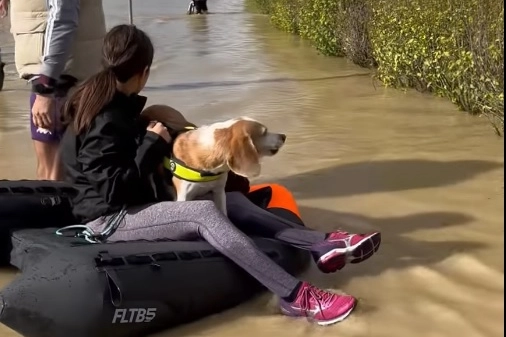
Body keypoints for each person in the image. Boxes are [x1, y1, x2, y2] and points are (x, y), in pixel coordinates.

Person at [60, 24, 382, 326]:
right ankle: (296, 297)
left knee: (233, 201)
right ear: (144, 72)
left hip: (130, 201)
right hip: (107, 219)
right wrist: (150, 143)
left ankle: (321, 244)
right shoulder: (107, 118)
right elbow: (112, 191)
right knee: (201, 212)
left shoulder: (110, 101)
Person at [8, 0, 105, 180]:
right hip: (61, 72)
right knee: (59, 169)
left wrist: (46, 87)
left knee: (51, 173)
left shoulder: (51, 81)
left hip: (58, 77)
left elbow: (63, 18)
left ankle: (55, 208)